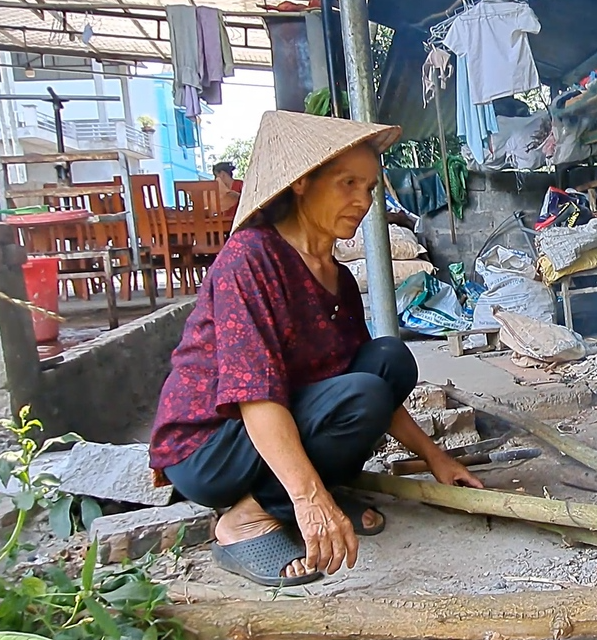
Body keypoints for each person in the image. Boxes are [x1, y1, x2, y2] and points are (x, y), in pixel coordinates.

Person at [151, 112, 482, 586]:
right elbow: (255, 396)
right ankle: (246, 518)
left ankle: (303, 489)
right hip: (211, 446)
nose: (362, 201)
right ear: (302, 183)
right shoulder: (250, 259)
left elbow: (372, 386)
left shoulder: (338, 278)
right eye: (347, 183)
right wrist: (311, 502)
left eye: (368, 188)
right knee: (362, 396)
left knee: (389, 360)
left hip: (272, 425)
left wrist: (436, 458)